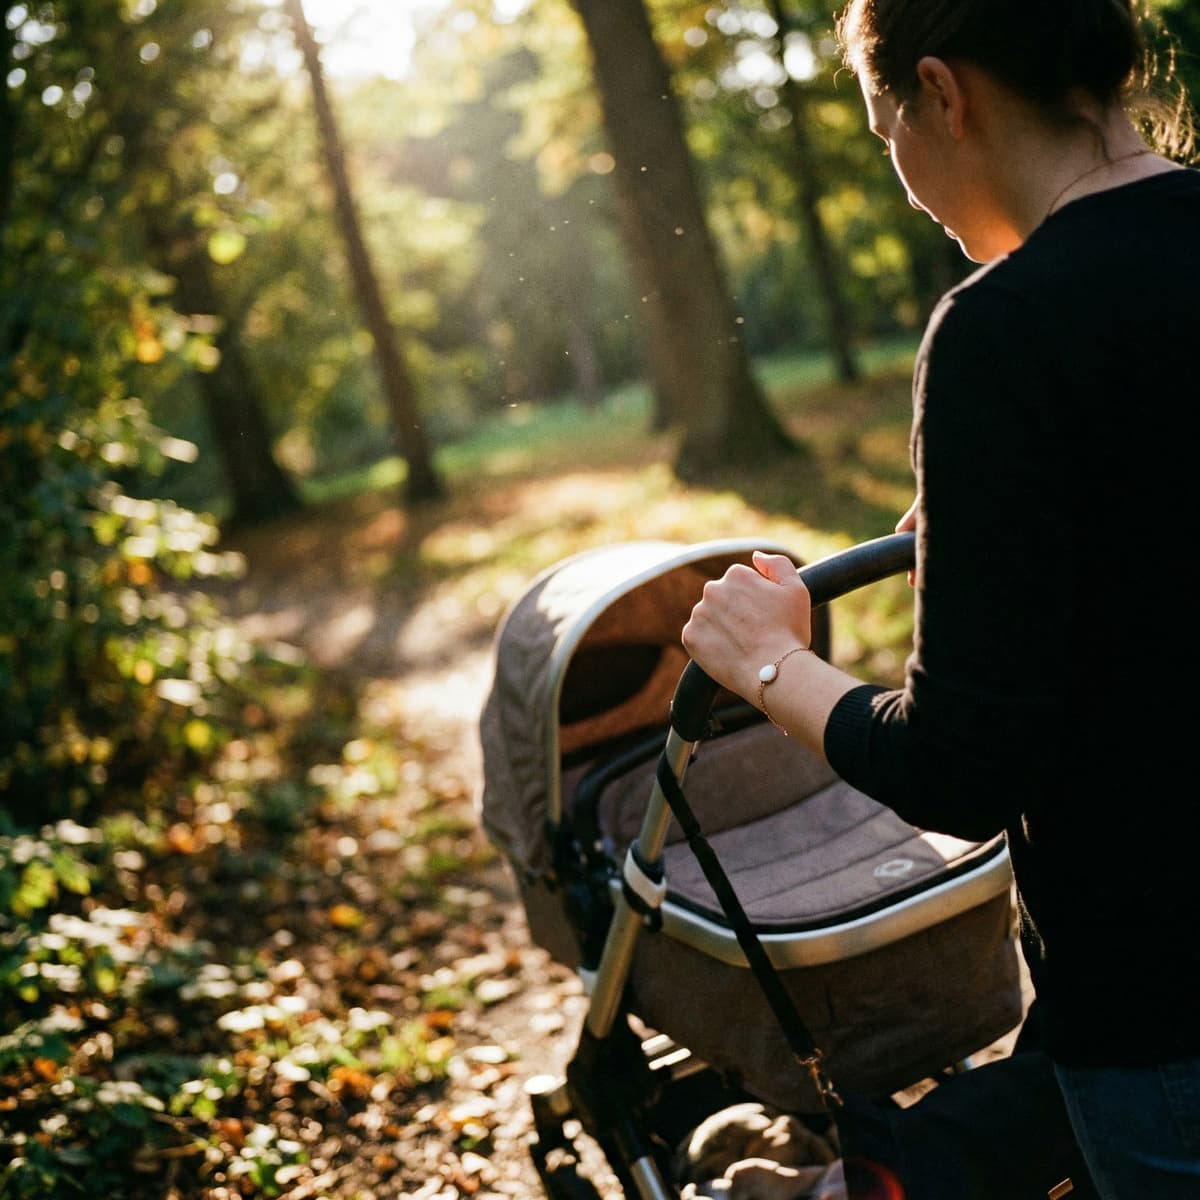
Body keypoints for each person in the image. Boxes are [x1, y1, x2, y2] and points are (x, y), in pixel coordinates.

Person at [680, 2, 1200, 1196]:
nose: (904, 177)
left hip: (1166, 1009)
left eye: (884, 132)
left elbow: (966, 768)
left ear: (941, 92)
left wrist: (769, 663)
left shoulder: (1004, 332)